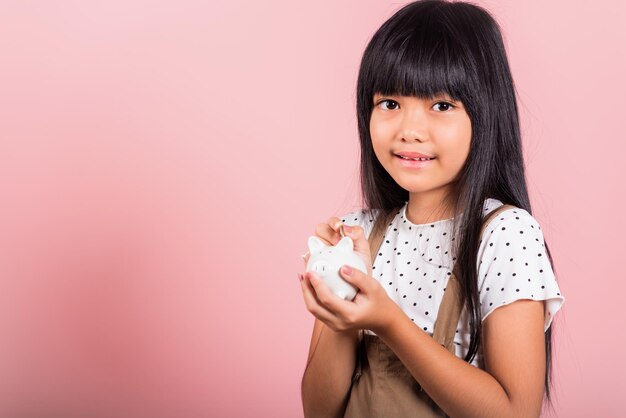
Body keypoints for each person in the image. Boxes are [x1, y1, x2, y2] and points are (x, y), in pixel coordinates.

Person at [298, 1, 566, 417]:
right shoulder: (357, 234)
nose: (409, 130)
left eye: (441, 106)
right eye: (389, 103)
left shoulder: (506, 234)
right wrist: (340, 305)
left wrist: (389, 322)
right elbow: (319, 410)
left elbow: (515, 412)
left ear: (485, 114)